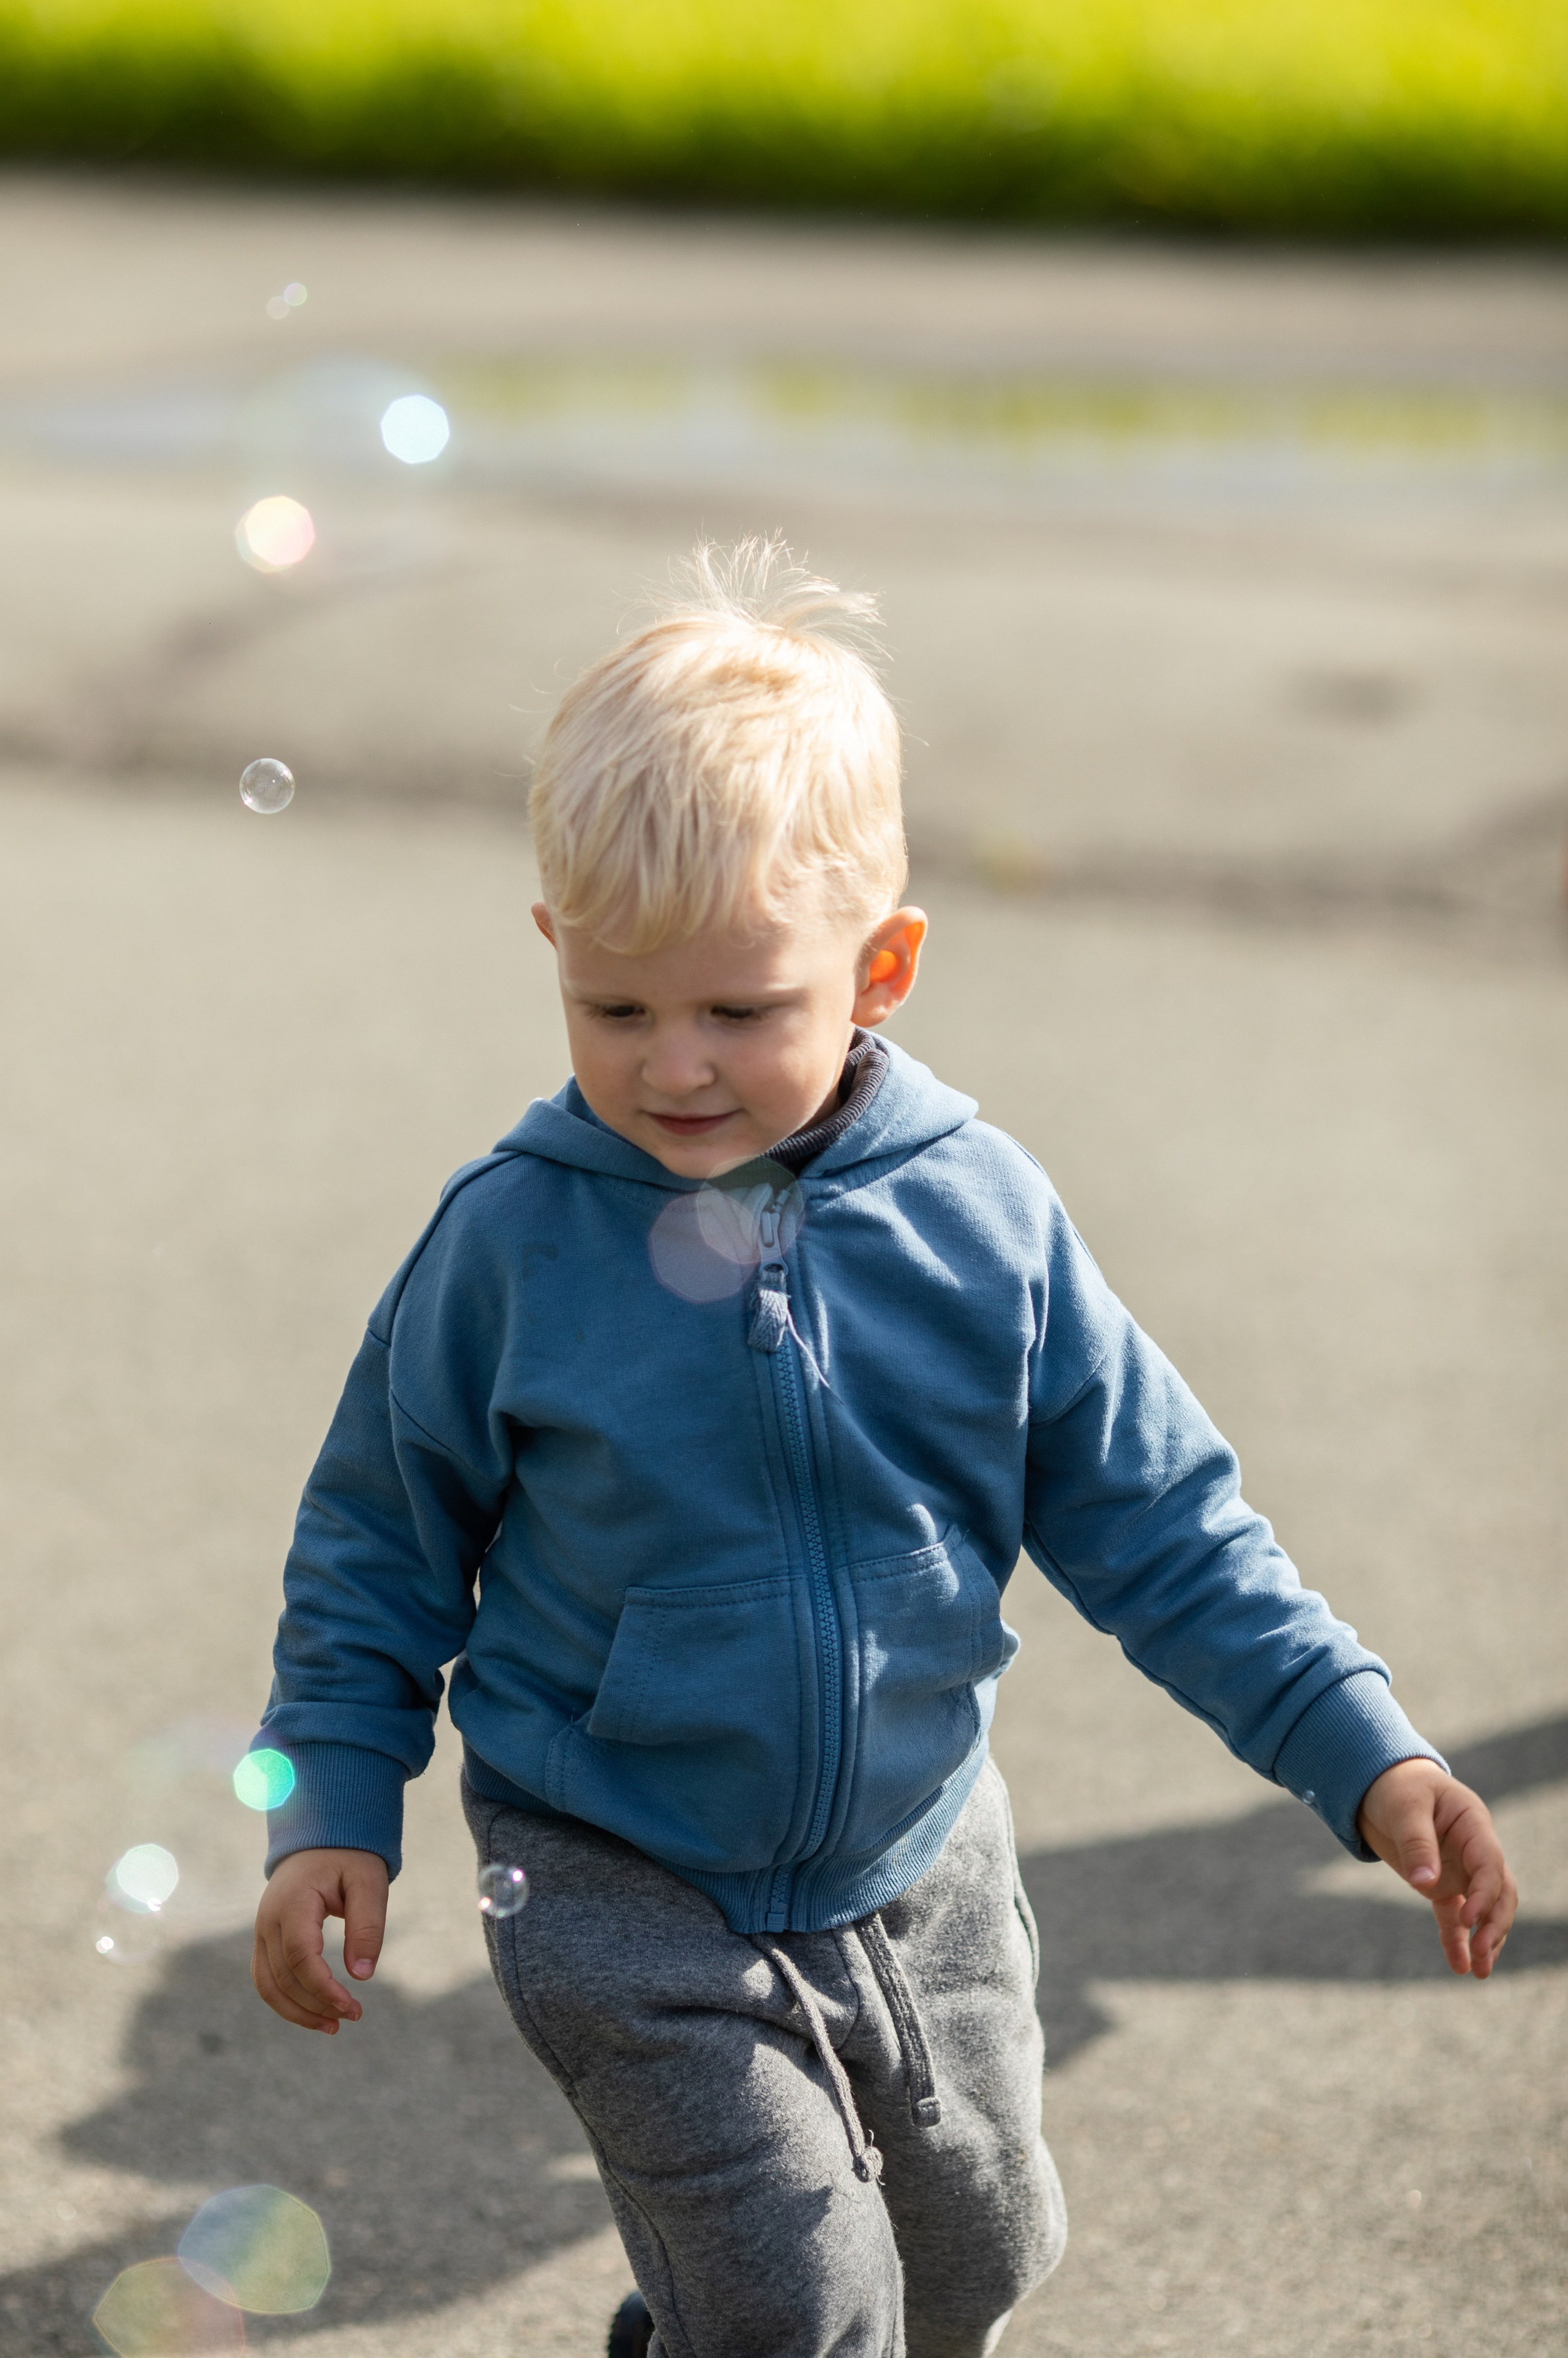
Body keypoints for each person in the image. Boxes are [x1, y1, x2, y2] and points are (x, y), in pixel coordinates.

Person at [247, 539, 1518, 2358]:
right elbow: (378, 1538)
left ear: (883, 966)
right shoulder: (511, 1242)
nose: (675, 1066)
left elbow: (1164, 1524)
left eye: (741, 1009)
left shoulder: (981, 1223)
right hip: (616, 1870)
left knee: (976, 2257)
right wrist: (330, 1805)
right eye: (617, 1009)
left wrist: (1358, 1745)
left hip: (917, 1854)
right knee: (797, 2303)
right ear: (554, 953)